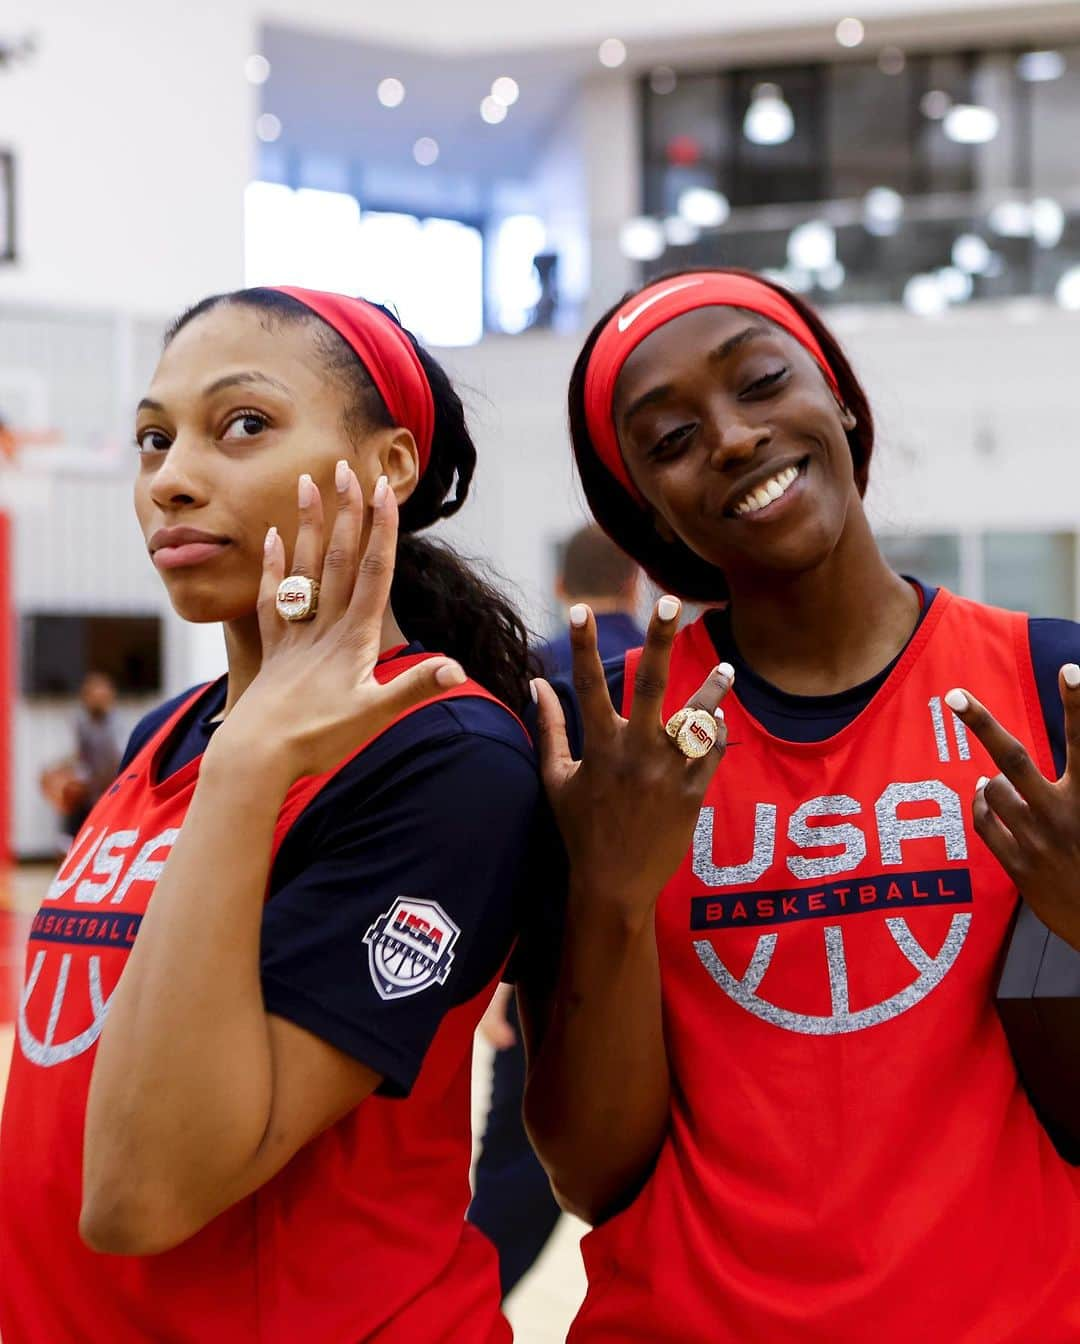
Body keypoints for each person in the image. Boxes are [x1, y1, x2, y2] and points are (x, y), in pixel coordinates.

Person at [521, 268, 1080, 1342]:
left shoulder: (1050, 694)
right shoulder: (620, 755)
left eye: (763, 380)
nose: (731, 438)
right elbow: (593, 1174)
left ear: (843, 400)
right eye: (672, 440)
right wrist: (611, 894)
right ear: (652, 518)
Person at [0, 286, 541, 1343]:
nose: (173, 480)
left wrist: (249, 766)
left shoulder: (444, 758)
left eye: (242, 426)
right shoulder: (171, 730)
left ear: (389, 465)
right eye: (154, 439)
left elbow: (139, 1194)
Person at [470, 523, 643, 1297]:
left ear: (565, 588)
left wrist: (489, 989)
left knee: (512, 1178)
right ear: (636, 583)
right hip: (662, 969)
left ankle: (462, 1310)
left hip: (547, 971)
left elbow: (492, 831)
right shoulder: (683, 671)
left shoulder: (528, 676)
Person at [66, 672, 122, 839]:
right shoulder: (81, 723)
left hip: (112, 789)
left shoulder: (116, 725)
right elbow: (79, 756)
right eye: (93, 695)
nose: (97, 700)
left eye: (102, 695)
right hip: (89, 791)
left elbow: (118, 760)